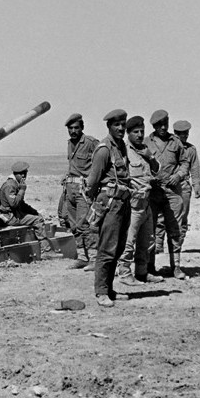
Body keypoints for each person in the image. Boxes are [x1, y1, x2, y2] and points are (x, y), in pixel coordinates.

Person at [85, 109, 132, 307]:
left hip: (123, 202)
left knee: (118, 247)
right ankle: (101, 292)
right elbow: (92, 181)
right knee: (107, 248)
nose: (121, 128)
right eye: (117, 125)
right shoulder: (104, 149)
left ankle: (109, 288)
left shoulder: (121, 146)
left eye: (123, 124)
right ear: (109, 127)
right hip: (110, 203)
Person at [116, 116, 165, 285]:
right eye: (135, 132)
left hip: (146, 204)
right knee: (129, 241)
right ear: (128, 133)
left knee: (147, 241)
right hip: (133, 205)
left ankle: (142, 273)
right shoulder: (124, 151)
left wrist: (150, 157)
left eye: (141, 132)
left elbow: (157, 169)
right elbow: (120, 177)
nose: (139, 135)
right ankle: (124, 274)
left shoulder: (144, 149)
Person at [146, 109, 189, 280]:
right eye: (159, 125)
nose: (163, 127)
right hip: (152, 193)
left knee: (175, 230)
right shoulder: (146, 142)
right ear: (154, 126)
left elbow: (185, 162)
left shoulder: (176, 142)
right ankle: (149, 267)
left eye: (165, 123)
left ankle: (176, 266)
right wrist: (148, 179)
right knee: (150, 231)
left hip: (172, 192)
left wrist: (178, 175)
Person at [59, 113, 100, 270]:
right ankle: (82, 257)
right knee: (74, 224)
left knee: (86, 224)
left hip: (84, 190)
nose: (73, 131)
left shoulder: (91, 143)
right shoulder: (70, 143)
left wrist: (92, 182)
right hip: (70, 189)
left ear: (82, 127)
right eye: (70, 128)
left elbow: (102, 161)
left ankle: (94, 258)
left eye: (76, 128)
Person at [0, 161, 51, 251]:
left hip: (11, 215)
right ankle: (46, 249)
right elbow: (14, 204)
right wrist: (22, 190)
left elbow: (21, 203)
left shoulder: (13, 183)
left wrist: (34, 211)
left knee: (36, 216)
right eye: (21, 174)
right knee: (38, 220)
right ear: (15, 174)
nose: (24, 176)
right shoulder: (10, 185)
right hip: (9, 217)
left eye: (25, 173)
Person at [173, 120, 200, 250]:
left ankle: (178, 245)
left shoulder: (191, 150)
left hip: (184, 186)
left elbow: (194, 168)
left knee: (183, 217)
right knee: (161, 219)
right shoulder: (169, 147)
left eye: (186, 133)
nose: (185, 136)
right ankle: (159, 248)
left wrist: (196, 186)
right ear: (175, 134)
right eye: (182, 134)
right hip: (169, 186)